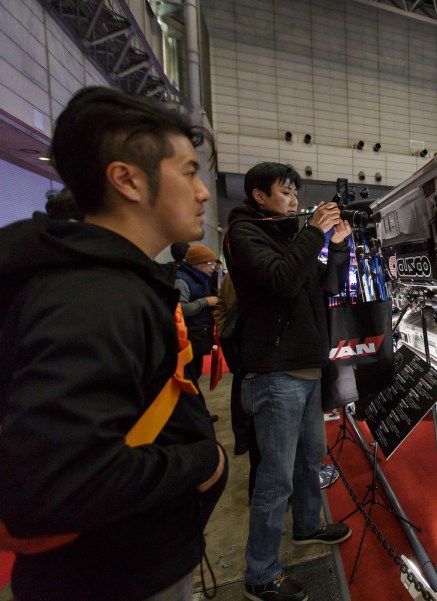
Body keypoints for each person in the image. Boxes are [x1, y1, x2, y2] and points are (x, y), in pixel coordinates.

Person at [0, 86, 226, 601]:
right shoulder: (94, 297)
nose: (203, 191)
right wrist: (202, 462)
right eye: (189, 172)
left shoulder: (104, 280)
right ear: (126, 179)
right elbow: (54, 484)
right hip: (112, 576)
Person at [225, 162, 352, 601]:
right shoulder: (243, 233)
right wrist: (313, 233)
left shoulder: (286, 237)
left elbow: (328, 288)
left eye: (296, 193)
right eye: (286, 192)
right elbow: (281, 280)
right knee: (274, 477)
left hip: (305, 366)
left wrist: (337, 247)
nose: (295, 200)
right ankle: (260, 574)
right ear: (259, 196)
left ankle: (308, 524)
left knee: (311, 456)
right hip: (274, 371)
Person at [176, 243, 220, 393]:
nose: (213, 267)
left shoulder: (201, 278)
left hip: (199, 333)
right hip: (189, 336)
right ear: (197, 263)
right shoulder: (182, 281)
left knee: (196, 373)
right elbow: (180, 309)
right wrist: (205, 302)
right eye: (209, 263)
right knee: (190, 374)